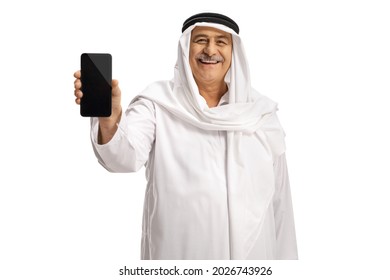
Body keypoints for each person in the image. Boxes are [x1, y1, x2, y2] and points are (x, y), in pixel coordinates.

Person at [73, 12, 298, 260]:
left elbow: (280, 204)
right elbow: (122, 159)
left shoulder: (261, 114)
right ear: (185, 48)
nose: (210, 50)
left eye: (221, 42)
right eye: (201, 40)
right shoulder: (157, 103)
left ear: (234, 52)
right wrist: (109, 117)